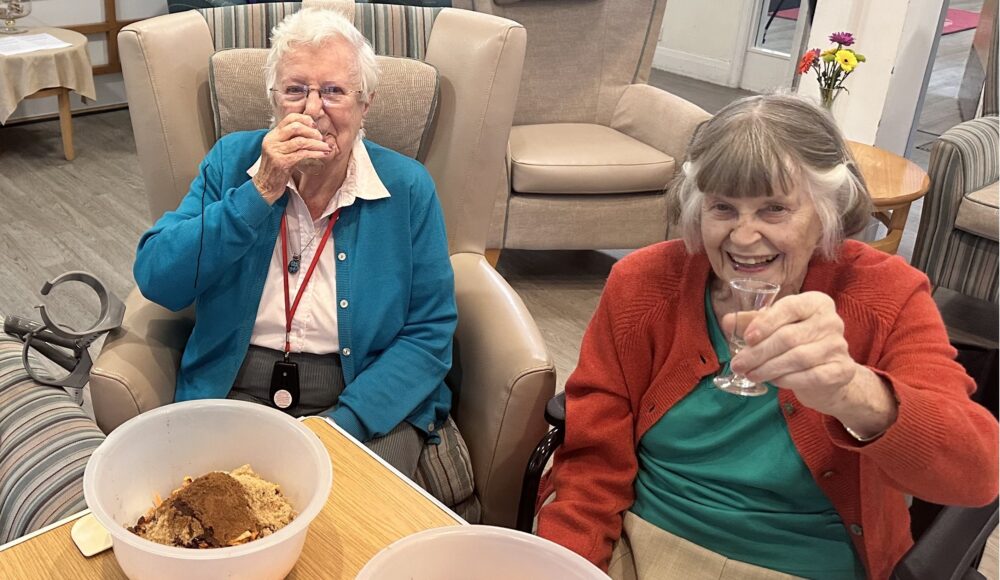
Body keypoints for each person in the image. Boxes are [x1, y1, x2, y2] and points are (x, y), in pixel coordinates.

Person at [536, 94, 999, 580]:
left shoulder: (884, 295)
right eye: (723, 207)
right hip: (644, 543)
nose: (743, 236)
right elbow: (590, 464)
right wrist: (571, 565)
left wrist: (853, 392)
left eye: (774, 209)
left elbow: (976, 475)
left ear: (826, 212)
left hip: (802, 564)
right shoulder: (644, 284)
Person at [132, 9, 458, 479]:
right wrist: (258, 193)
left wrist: (345, 423)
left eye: (334, 91)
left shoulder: (407, 188)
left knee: (352, 518)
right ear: (274, 101)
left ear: (366, 104)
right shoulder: (231, 163)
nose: (311, 109)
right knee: (212, 522)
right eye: (295, 90)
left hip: (363, 397)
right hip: (234, 387)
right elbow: (158, 277)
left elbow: (429, 332)